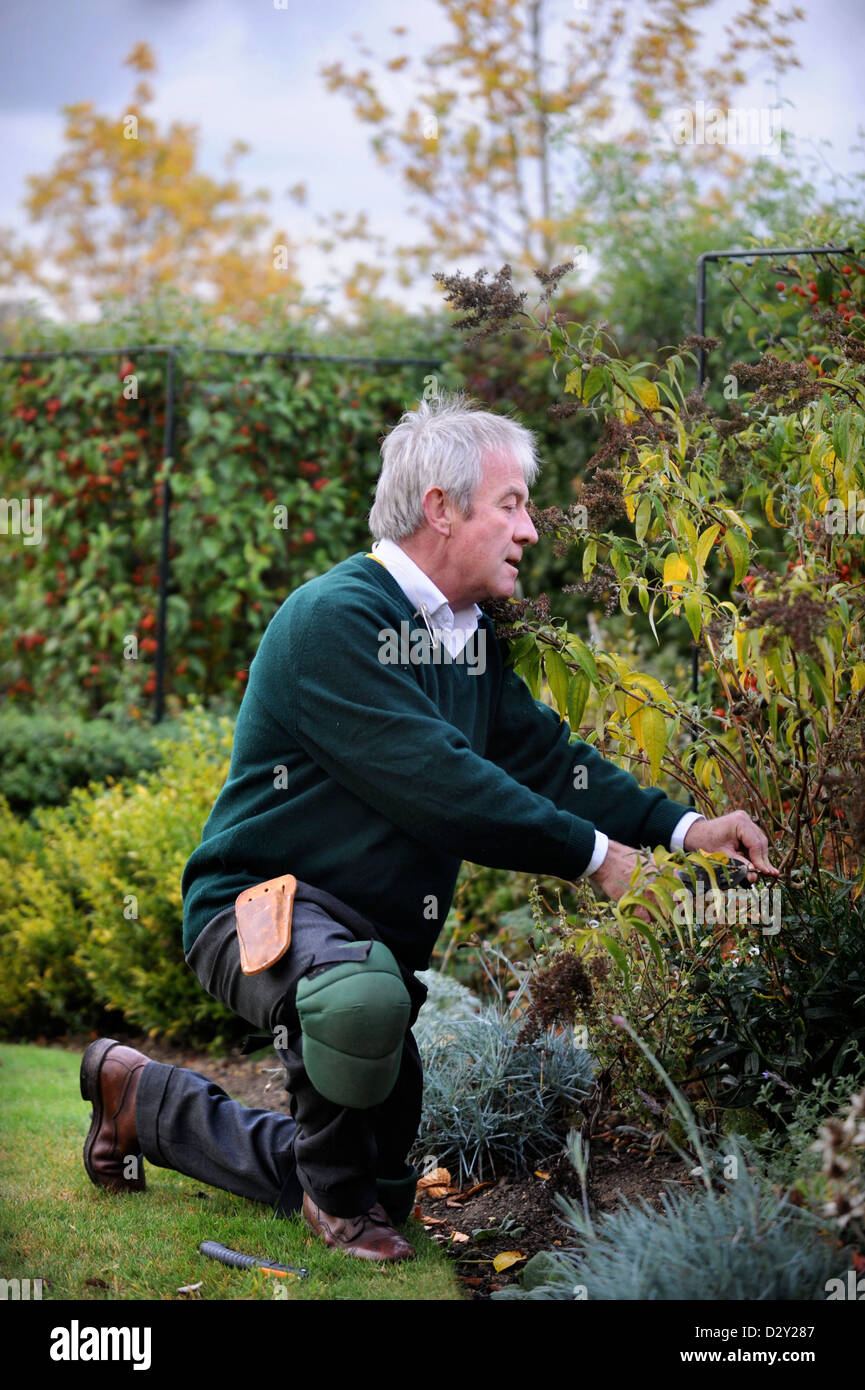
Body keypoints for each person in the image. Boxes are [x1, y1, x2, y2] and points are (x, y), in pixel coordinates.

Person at [81, 394, 776, 1262]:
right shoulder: (334, 620)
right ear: (439, 509)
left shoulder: (470, 640)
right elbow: (440, 783)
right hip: (256, 907)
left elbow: (548, 758)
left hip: (365, 941)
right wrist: (599, 861)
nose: (528, 530)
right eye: (511, 504)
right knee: (354, 1006)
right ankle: (334, 1212)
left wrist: (684, 829)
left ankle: (140, 1100)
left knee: (387, 1185)